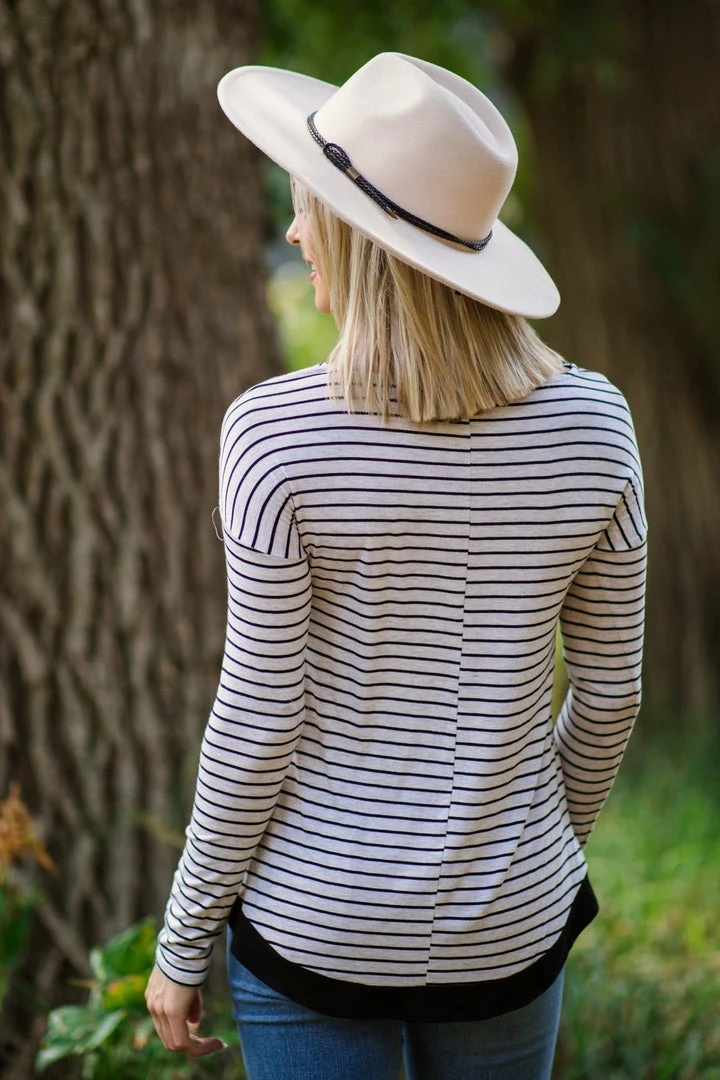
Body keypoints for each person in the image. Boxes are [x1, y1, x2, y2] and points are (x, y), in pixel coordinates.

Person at [145, 52, 647, 1080]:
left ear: (363, 242)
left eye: (310, 210)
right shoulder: (596, 427)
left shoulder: (274, 435)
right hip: (512, 925)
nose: (293, 234)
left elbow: (258, 715)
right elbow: (609, 694)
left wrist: (183, 936)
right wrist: (528, 853)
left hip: (314, 926)